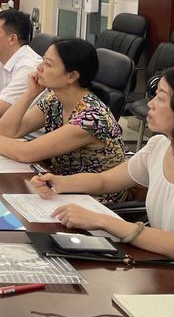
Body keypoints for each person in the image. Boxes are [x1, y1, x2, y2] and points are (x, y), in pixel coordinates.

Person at [30, 68, 174, 258]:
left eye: (161, 98)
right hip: (155, 261)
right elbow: (104, 181)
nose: (150, 103)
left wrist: (104, 221)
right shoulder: (159, 146)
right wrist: (59, 183)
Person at [0, 38, 126, 202]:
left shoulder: (91, 117)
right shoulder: (55, 100)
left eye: (48, 64)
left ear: (71, 76)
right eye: (43, 60)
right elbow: (6, 131)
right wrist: (30, 93)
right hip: (59, 187)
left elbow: (25, 153)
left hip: (93, 199)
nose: (39, 68)